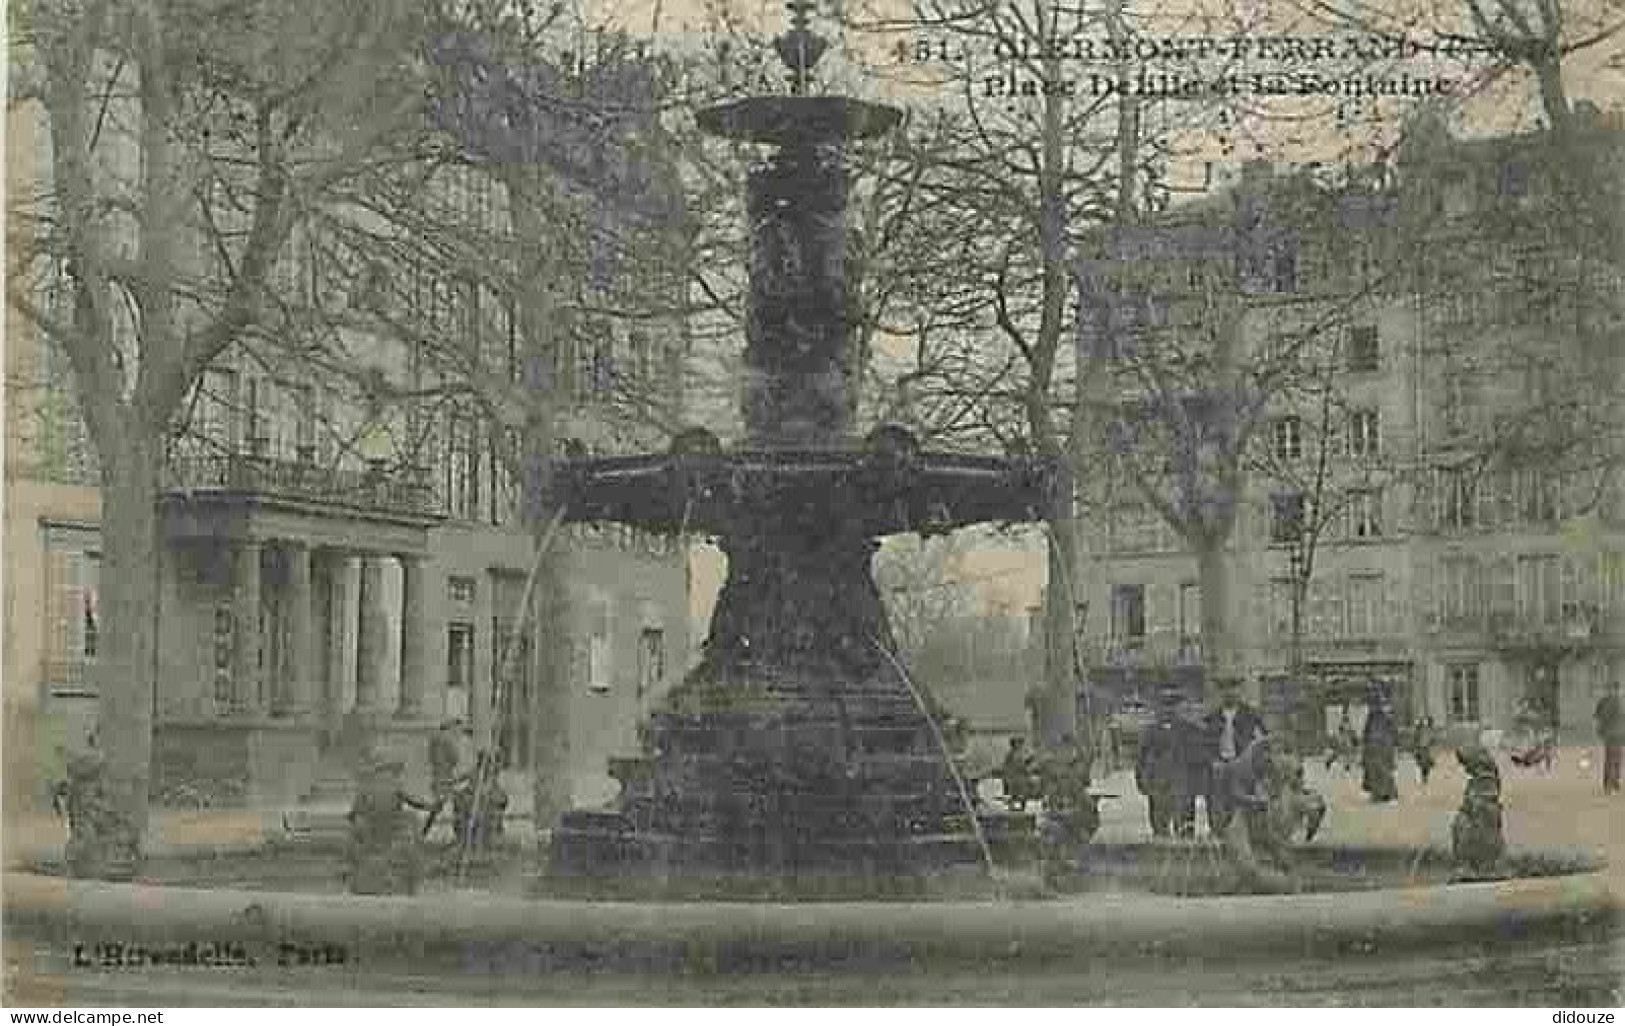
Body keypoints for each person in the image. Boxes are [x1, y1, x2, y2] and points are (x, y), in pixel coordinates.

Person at [1204, 677, 1266, 836]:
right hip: (1221, 764)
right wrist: (1213, 760)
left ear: (1240, 691)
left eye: (1234, 688)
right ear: (1220, 692)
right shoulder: (1212, 718)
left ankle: (1247, 830)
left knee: (1245, 797)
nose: (1230, 693)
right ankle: (1218, 830)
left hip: (1245, 765)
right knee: (1217, 789)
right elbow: (1205, 745)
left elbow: (1263, 742)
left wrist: (1250, 760)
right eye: (1224, 689)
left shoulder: (1251, 716)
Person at [1135, 687, 1199, 839]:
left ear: (1178, 708)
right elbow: (1141, 759)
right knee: (1159, 825)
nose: (1168, 710)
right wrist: (1141, 781)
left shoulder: (1189, 730)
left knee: (1184, 827)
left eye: (1172, 706)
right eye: (1164, 705)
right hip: (1159, 785)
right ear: (1157, 708)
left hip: (1182, 785)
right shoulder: (1150, 732)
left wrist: (1196, 782)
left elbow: (1197, 758)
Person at [1451, 743, 1504, 875]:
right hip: (1476, 817)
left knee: (1474, 831)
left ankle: (1484, 867)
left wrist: (1474, 806)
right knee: (1460, 825)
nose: (1465, 769)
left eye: (1466, 765)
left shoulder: (1487, 779)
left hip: (1484, 818)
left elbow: (1485, 802)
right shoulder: (1475, 781)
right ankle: (1468, 866)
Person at [1360, 684, 1400, 803]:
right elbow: (1367, 730)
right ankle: (1378, 793)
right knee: (1375, 769)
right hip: (1376, 743)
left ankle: (1386, 793)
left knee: (1381, 769)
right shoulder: (1375, 713)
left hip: (1381, 743)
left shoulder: (1384, 710)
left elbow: (1391, 727)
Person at [999, 736, 1039, 812]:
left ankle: (1020, 806)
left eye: (1020, 743)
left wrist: (1028, 762)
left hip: (1018, 777)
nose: (1020, 745)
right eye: (1019, 743)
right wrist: (1028, 762)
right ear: (1015, 744)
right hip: (1015, 778)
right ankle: (1014, 806)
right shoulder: (1012, 754)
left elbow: (1021, 765)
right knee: (1017, 792)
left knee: (1022, 791)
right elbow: (1018, 765)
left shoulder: (1016, 753)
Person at [1596, 681, 1622, 795]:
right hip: (1614, 735)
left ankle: (1612, 783)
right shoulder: (1612, 701)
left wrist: (1601, 731)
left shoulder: (1607, 700)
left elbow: (1598, 716)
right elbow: (1601, 716)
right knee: (1613, 760)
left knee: (1614, 760)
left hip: (1616, 735)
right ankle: (1610, 785)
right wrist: (1601, 730)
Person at [1412, 714, 1437, 786]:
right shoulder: (1419, 730)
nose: (1425, 722)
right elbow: (1415, 740)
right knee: (1421, 764)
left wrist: (1431, 746)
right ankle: (1421, 777)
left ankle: (1425, 777)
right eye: (1424, 721)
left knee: (1427, 764)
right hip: (1421, 748)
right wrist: (1415, 748)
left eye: (1426, 721)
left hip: (1427, 749)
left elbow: (1433, 740)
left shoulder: (1430, 730)